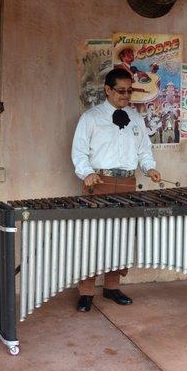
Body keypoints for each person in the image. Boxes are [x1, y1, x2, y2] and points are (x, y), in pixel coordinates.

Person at [71, 68, 161, 312]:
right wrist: (86, 172)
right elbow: (79, 151)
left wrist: (150, 168)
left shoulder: (136, 118)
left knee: (120, 236)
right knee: (92, 237)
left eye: (129, 90)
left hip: (127, 183)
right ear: (107, 90)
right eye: (121, 91)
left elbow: (144, 149)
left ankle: (112, 286)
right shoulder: (90, 118)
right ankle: (86, 291)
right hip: (98, 182)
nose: (126, 95)